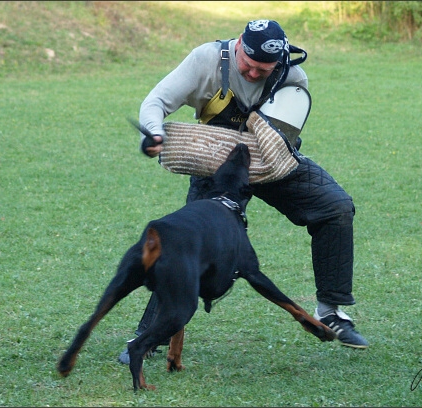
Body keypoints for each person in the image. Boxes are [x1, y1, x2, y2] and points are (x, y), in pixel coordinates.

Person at [119, 19, 368, 364]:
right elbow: (156, 101)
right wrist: (153, 133)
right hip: (216, 165)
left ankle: (330, 311)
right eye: (248, 66)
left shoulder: (292, 80)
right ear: (238, 45)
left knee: (336, 206)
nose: (253, 74)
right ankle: (148, 336)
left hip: (271, 161)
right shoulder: (206, 60)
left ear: (278, 63)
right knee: (189, 241)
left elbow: (284, 140)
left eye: (262, 71)